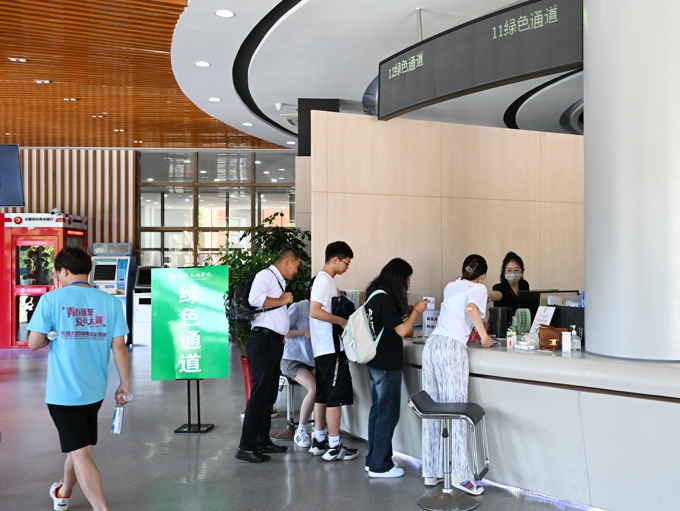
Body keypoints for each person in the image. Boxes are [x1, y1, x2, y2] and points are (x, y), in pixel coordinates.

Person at [27, 247, 130, 511]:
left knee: (81, 453)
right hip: (94, 390)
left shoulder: (51, 300)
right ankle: (63, 493)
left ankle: (101, 508)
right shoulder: (110, 302)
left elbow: (33, 343)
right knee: (79, 446)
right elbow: (119, 347)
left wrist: (50, 334)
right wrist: (124, 383)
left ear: (63, 271)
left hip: (63, 393)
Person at [421, 254, 492, 495]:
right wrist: (484, 337)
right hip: (452, 348)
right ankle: (461, 475)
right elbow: (471, 309)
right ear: (482, 276)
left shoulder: (452, 285)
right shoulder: (479, 288)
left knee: (433, 410)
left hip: (432, 345)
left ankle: (432, 470)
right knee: (456, 410)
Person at [364, 258, 429, 478]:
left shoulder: (375, 294)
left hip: (375, 363)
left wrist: (408, 311)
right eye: (407, 280)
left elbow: (389, 323)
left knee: (377, 412)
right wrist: (416, 311)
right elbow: (401, 331)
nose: (407, 285)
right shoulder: (384, 298)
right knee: (388, 414)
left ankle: (373, 460)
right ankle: (380, 466)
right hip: (386, 364)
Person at [235, 246, 301, 463]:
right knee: (260, 395)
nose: (296, 271)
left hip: (272, 341)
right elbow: (255, 299)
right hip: (262, 342)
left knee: (269, 394)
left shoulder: (277, 280)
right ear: (288, 261)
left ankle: (262, 440)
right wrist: (282, 300)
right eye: (296, 266)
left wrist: (279, 333)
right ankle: (246, 447)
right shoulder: (266, 275)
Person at [308, 241, 358, 461]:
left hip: (322, 349)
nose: (347, 267)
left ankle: (320, 440)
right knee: (335, 398)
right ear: (335, 259)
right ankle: (334, 445)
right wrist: (342, 321)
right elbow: (315, 311)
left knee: (323, 395)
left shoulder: (324, 281)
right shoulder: (324, 281)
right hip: (330, 348)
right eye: (346, 263)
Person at [280, 278, 316, 448]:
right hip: (292, 359)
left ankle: (319, 429)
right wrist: (303, 332)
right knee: (314, 388)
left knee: (323, 389)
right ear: (312, 289)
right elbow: (283, 331)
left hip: (312, 360)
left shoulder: (323, 310)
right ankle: (300, 431)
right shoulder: (299, 307)